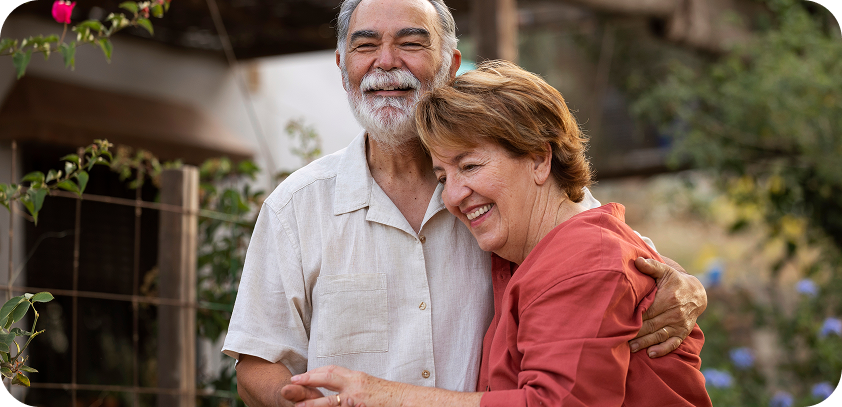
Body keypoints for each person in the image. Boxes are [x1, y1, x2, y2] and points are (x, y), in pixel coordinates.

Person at [223, 1, 707, 406]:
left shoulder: (511, 193)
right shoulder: (297, 207)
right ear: (342, 64)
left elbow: (606, 254)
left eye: (411, 43)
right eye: (365, 45)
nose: (386, 61)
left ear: (452, 64)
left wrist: (686, 286)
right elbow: (257, 365)